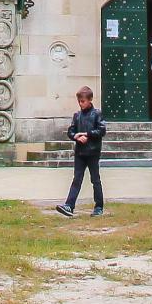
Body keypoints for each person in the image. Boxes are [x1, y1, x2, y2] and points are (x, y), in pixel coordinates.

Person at [56, 85, 108, 217]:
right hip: (80, 153)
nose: (81, 104)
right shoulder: (77, 115)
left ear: (90, 100)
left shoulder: (97, 114)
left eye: (83, 101)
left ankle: (99, 206)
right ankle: (69, 205)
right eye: (79, 101)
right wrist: (76, 136)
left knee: (95, 179)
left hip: (92, 152)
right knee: (77, 179)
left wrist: (88, 134)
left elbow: (101, 130)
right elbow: (71, 131)